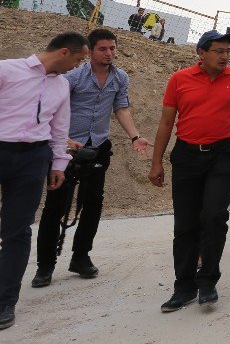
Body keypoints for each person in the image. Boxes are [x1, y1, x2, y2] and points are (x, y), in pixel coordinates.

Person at [32, 29, 152, 288]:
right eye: (103, 49)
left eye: (112, 48)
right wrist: (61, 141)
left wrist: (134, 137)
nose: (109, 54)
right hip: (67, 149)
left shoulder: (120, 78)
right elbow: (53, 108)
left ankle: (81, 257)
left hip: (98, 147)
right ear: (91, 50)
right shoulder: (73, 76)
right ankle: (45, 266)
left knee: (93, 203)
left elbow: (121, 108)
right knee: (55, 206)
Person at [148, 30, 230, 313]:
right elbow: (167, 122)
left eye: (228, 51)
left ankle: (208, 282)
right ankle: (184, 287)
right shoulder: (179, 80)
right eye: (219, 51)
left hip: (223, 155)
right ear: (201, 53)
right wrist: (156, 162)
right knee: (185, 224)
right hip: (187, 156)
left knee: (215, 216)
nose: (225, 56)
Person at [0, 32, 88, 331]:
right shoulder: (7, 70)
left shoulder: (61, 86)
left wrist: (59, 163)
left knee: (17, 231)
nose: (77, 67)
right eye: (77, 60)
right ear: (64, 52)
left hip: (33, 160)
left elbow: (59, 126)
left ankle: (5, 301)